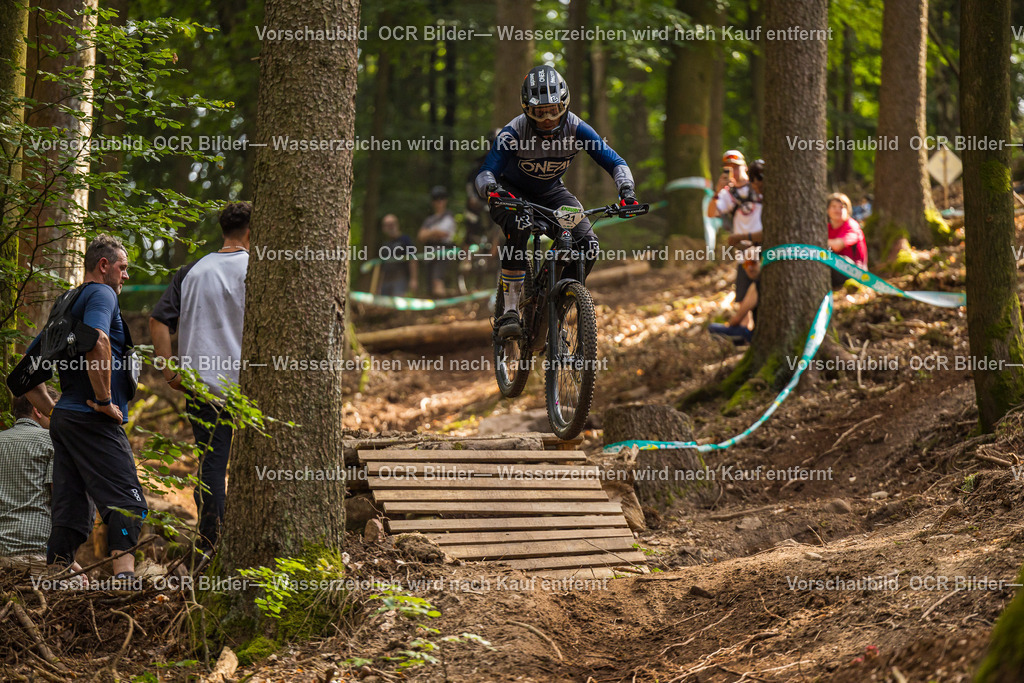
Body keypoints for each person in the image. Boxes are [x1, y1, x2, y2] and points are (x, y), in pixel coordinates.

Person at [17, 235, 146, 583]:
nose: (126, 276)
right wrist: (104, 401)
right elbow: (98, 340)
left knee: (72, 509)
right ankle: (125, 582)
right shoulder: (101, 293)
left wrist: (53, 412)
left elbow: (24, 373)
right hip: (93, 418)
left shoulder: (65, 302)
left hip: (68, 420)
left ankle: (56, 580)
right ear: (103, 265)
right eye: (123, 267)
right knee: (127, 499)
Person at [475, 65, 639, 339]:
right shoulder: (513, 132)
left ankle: (557, 311)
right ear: (527, 109)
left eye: (553, 109)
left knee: (588, 244)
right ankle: (510, 311)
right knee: (518, 224)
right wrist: (491, 188)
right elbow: (485, 172)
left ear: (564, 104)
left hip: (552, 193)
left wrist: (627, 191)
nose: (548, 118)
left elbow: (615, 161)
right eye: (540, 112)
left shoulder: (577, 127)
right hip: (510, 192)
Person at [150, 201, 250, 554]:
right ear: (252, 232)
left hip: (202, 384)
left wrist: (169, 369)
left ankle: (211, 546)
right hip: (252, 384)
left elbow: (158, 320)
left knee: (212, 464)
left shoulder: (192, 271)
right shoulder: (261, 269)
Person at [0, 389, 58, 561]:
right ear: (38, 409)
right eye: (53, 410)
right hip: (36, 550)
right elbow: (60, 499)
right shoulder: (52, 440)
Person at [709, 151, 763, 307]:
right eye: (728, 168)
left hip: (765, 247)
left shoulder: (760, 185)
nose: (734, 171)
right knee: (743, 297)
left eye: (736, 167)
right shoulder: (727, 194)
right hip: (745, 253)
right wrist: (718, 191)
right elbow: (711, 213)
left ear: (745, 167)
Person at [709, 257, 759, 346]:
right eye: (746, 264)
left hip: (758, 335)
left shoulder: (757, 285)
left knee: (712, 328)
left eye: (753, 263)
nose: (750, 268)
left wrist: (729, 325)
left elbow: (737, 318)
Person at [418, 186, 457, 298]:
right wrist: (434, 232)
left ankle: (443, 310)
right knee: (429, 285)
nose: (439, 201)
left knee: (438, 281)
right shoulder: (429, 219)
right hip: (430, 253)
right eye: (436, 198)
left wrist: (429, 232)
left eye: (442, 198)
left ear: (446, 200)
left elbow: (443, 233)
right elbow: (421, 236)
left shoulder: (449, 216)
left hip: (444, 253)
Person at [826, 192, 868, 289]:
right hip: (835, 272)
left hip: (855, 273)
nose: (837, 210)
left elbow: (837, 246)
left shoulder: (852, 226)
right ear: (828, 210)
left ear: (848, 210)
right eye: (834, 206)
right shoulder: (826, 228)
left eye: (842, 207)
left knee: (837, 260)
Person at [378, 214, 417, 297]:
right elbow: (382, 267)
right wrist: (379, 286)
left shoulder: (405, 240)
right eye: (387, 225)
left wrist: (413, 279)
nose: (390, 227)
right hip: (386, 281)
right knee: (383, 307)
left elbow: (412, 259)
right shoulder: (385, 245)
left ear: (397, 224)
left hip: (401, 279)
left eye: (391, 224)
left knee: (400, 305)